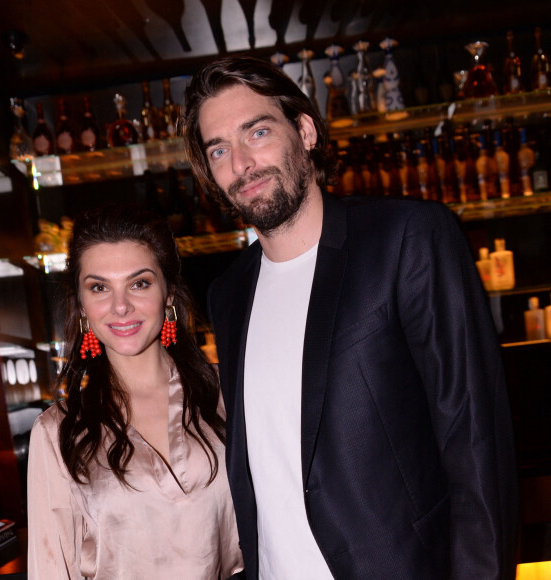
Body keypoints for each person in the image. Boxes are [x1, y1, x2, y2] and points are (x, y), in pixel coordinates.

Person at [180, 56, 519, 579]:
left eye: (258, 131)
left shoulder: (407, 240)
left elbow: (474, 440)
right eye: (219, 149)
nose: (241, 163)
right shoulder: (229, 293)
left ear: (305, 130)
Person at [27, 204, 244, 579]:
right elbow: (50, 569)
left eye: (139, 283)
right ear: (82, 307)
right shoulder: (57, 431)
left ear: (169, 294)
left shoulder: (229, 393)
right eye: (99, 287)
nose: (121, 306)